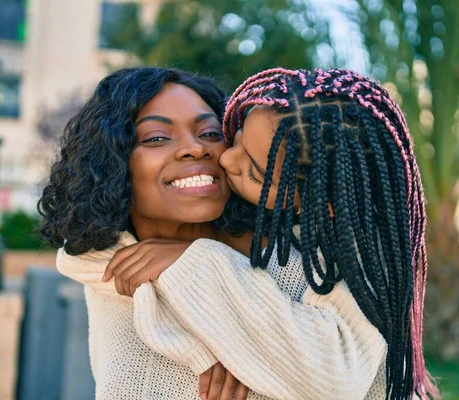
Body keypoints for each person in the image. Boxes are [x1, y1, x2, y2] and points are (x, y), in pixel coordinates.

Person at [101, 68, 438, 400]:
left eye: (254, 171)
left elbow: (334, 380)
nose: (225, 159)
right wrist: (203, 349)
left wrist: (197, 264)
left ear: (318, 203)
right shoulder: (121, 244)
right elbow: (90, 260)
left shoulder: (338, 258)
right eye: (234, 138)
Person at [39, 67, 254, 400]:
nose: (196, 149)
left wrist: (199, 260)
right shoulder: (109, 265)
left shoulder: (284, 255)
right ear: (113, 165)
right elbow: (73, 257)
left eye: (210, 133)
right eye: (156, 138)